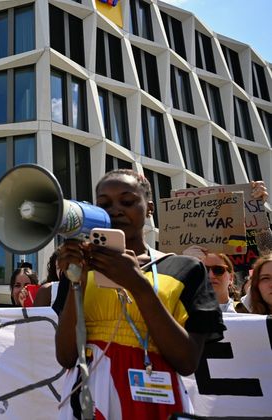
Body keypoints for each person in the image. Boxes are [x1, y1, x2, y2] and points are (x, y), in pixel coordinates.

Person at [56, 169, 225, 419]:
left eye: (127, 201)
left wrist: (138, 285)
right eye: (104, 204)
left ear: (149, 208)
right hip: (90, 397)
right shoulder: (80, 268)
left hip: (156, 399)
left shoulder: (186, 269)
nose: (115, 210)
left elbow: (187, 361)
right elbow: (66, 356)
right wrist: (75, 283)